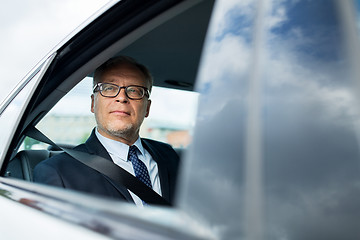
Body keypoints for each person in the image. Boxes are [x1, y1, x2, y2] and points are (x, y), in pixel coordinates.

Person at [34, 56, 180, 206]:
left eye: (135, 91)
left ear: (147, 108)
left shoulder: (168, 155)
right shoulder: (57, 171)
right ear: (93, 104)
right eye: (109, 88)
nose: (122, 97)